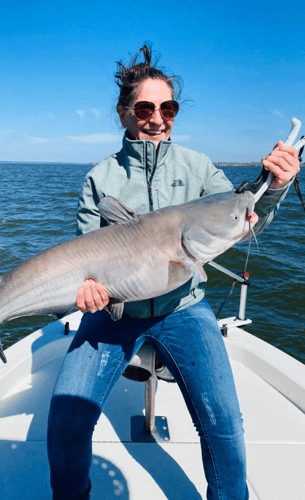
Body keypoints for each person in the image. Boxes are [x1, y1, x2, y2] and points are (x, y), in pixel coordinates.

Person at [47, 45, 300, 500]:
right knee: (65, 426)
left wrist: (276, 187)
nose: (157, 118)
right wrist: (86, 291)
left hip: (183, 307)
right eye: (145, 107)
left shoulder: (200, 167)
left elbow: (241, 218)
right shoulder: (99, 178)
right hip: (111, 315)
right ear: (125, 113)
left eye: (168, 107)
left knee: (224, 425)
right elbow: (84, 254)